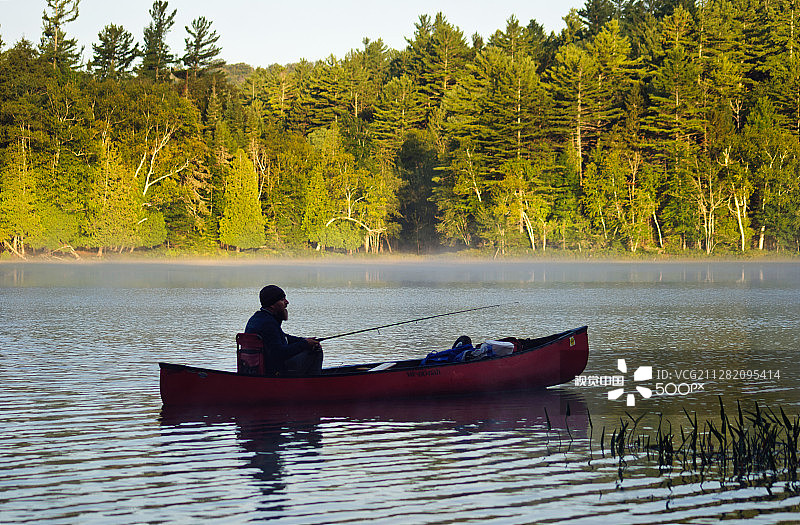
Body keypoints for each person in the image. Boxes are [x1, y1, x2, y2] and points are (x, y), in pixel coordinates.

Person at [245, 285, 323, 376]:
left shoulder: (258, 318)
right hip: (273, 371)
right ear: (272, 305)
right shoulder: (268, 324)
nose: (287, 302)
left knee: (310, 346)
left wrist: (305, 340)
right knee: (315, 351)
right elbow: (279, 353)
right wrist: (305, 344)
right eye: (282, 300)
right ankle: (312, 385)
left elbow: (283, 337)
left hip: (257, 367)